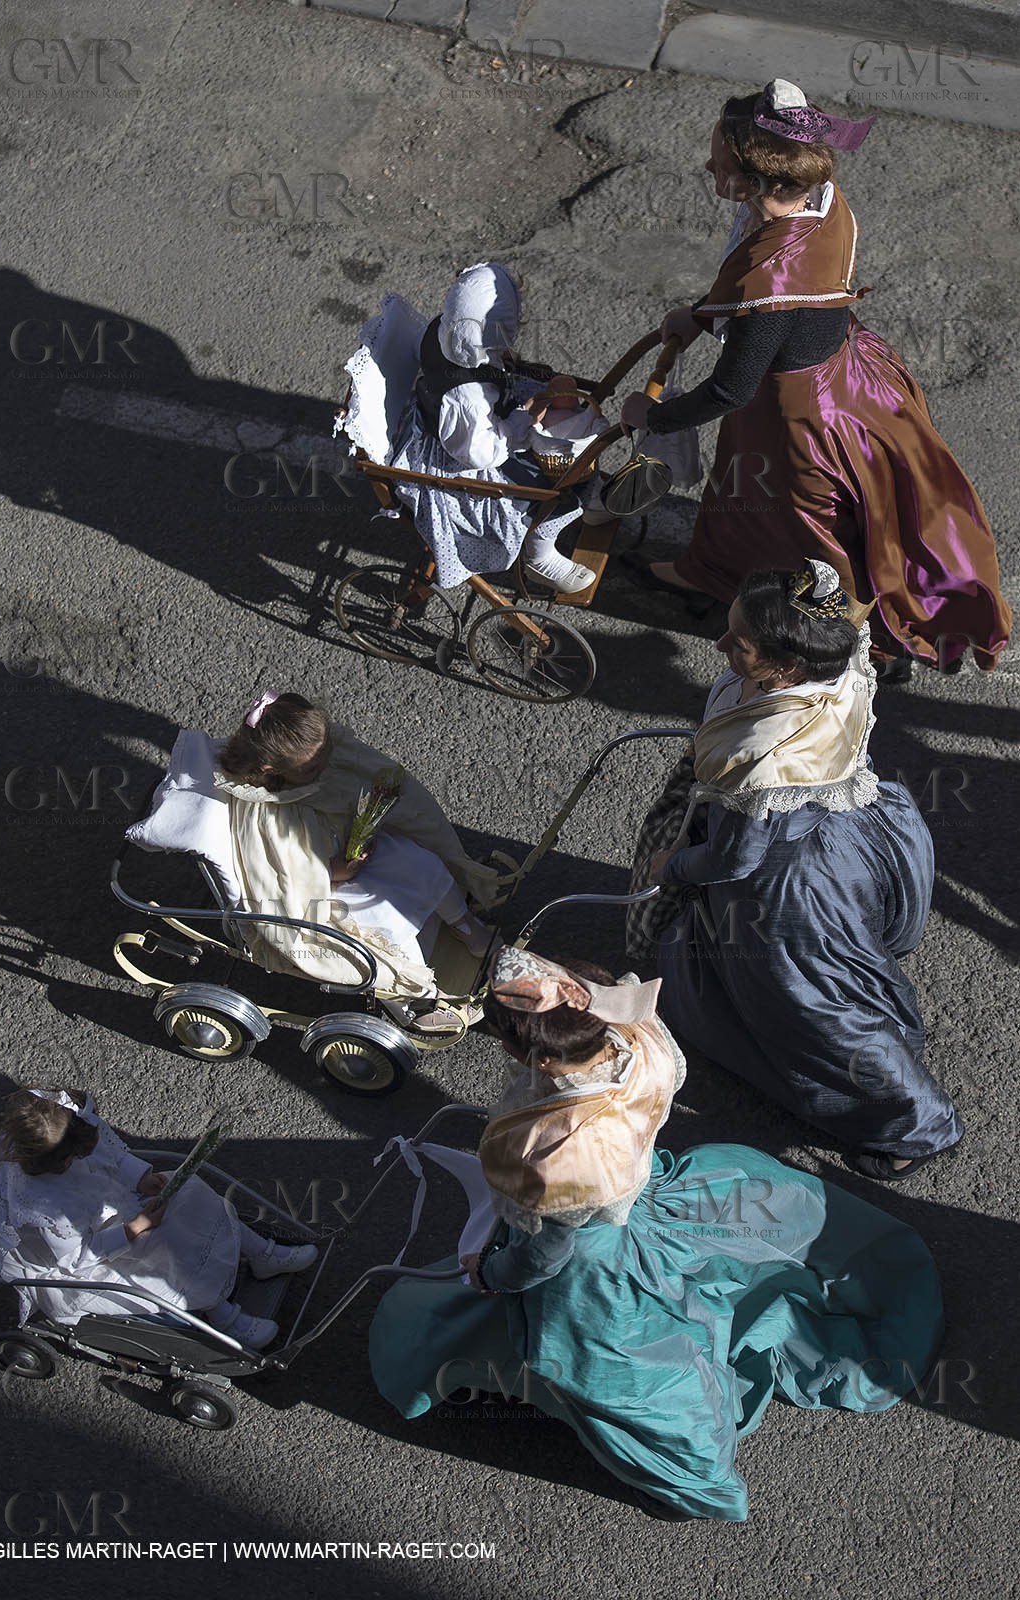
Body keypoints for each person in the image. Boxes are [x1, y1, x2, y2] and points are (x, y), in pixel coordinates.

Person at [368, 947, 945, 1523]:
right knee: (739, 1257)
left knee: (634, 1379)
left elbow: (548, 1251)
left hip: (596, 1262)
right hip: (654, 1192)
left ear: (541, 1061)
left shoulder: (553, 1152)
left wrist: (493, 1274)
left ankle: (695, 1481)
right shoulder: (633, 1031)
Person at [621, 78, 1011, 677]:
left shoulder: (775, 274)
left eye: (720, 163)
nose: (708, 166)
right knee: (754, 497)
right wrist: (702, 315)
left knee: (809, 524)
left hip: (800, 412)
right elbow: (757, 305)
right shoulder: (822, 198)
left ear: (759, 184)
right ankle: (715, 573)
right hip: (847, 370)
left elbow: (731, 388)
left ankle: (861, 637)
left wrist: (656, 416)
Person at [636, 559, 963, 1180]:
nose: (719, 645)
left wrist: (672, 865)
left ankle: (919, 1123)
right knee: (840, 978)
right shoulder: (840, 654)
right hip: (855, 830)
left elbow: (737, 857)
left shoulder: (766, 754)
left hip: (789, 883)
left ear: (785, 666)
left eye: (739, 642)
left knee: (820, 1010)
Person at [213, 691, 497, 1018]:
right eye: (312, 768)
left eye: (327, 753)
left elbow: (369, 779)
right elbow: (287, 879)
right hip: (327, 884)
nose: (325, 767)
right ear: (270, 768)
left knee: (419, 862)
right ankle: (415, 995)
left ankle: (468, 929)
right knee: (382, 919)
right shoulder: (267, 815)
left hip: (350, 852)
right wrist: (337, 870)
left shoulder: (315, 762)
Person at [0, 1088, 319, 1349]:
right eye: (74, 1158)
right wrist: (134, 1229)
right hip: (94, 1257)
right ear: (58, 1162)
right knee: (162, 1254)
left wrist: (140, 1177)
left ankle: (261, 1253)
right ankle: (223, 1314)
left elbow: (113, 1157)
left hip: (117, 1211)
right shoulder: (41, 1204)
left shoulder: (68, 1127)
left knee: (191, 1193)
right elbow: (76, 1258)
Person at [390, 260, 601, 594]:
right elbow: (479, 454)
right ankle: (539, 554)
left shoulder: (443, 329)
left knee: (562, 387)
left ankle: (586, 489)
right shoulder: (466, 398)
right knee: (545, 488)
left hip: (477, 418)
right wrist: (524, 418)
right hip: (465, 454)